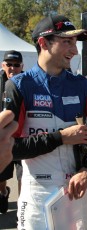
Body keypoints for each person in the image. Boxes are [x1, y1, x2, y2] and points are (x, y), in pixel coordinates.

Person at [5, 15, 87, 229]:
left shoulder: (82, 85)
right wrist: (60, 138)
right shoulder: (20, 85)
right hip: (37, 194)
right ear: (43, 43)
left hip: (78, 192)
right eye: (67, 42)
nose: (74, 50)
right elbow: (10, 149)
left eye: (75, 43)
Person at [0, 50, 24, 214]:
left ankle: (22, 211)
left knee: (23, 177)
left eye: (16, 65)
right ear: (3, 65)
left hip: (23, 137)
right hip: (3, 138)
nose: (12, 68)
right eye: (9, 65)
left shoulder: (27, 82)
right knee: (1, 176)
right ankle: (3, 192)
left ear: (22, 67)